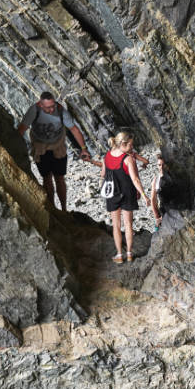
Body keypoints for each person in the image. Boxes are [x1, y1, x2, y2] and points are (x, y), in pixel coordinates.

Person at [19, 91, 90, 213]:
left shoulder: (61, 110)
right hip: (41, 149)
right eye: (48, 107)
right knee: (46, 178)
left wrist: (84, 149)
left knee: (60, 178)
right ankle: (53, 209)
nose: (52, 109)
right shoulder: (34, 110)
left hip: (58, 148)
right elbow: (22, 129)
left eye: (53, 106)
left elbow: (74, 129)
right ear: (41, 105)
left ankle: (63, 209)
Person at [90, 131, 151, 262]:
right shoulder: (128, 159)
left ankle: (119, 255)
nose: (132, 148)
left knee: (116, 225)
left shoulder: (106, 157)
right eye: (130, 145)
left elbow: (103, 174)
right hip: (128, 193)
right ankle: (129, 253)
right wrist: (145, 195)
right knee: (128, 225)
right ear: (123, 144)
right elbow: (135, 179)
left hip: (112, 194)